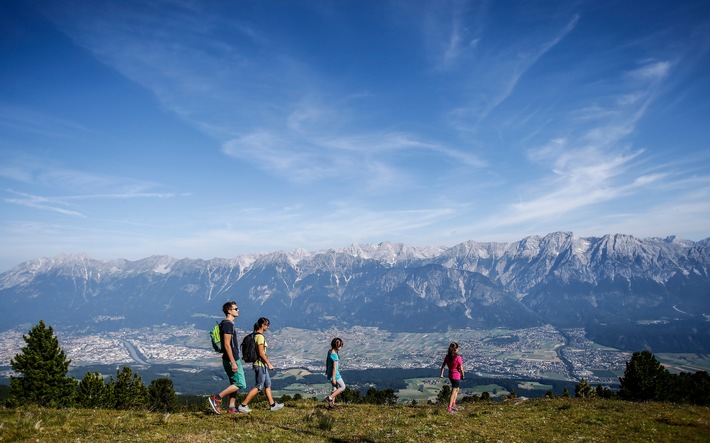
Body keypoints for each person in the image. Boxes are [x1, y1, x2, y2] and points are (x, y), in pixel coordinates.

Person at [237, 317, 284, 413]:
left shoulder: (255, 335)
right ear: (262, 325)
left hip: (260, 365)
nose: (268, 327)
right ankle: (243, 405)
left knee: (267, 384)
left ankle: (273, 405)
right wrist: (269, 364)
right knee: (259, 386)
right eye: (267, 324)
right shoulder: (260, 337)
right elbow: (261, 353)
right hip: (260, 365)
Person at [208, 301, 247, 414]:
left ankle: (231, 407)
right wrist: (233, 362)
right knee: (240, 384)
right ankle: (216, 398)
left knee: (234, 383)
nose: (238, 310)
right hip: (232, 359)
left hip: (228, 358)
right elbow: (226, 344)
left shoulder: (225, 323)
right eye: (236, 308)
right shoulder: (228, 324)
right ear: (229, 311)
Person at [439, 342, 464, 413]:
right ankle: (449, 407)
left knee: (457, 389)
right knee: (453, 391)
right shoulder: (458, 358)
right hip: (456, 376)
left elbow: (443, 366)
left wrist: (441, 374)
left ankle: (453, 403)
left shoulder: (447, 357)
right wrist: (463, 375)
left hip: (450, 375)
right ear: (456, 349)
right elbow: (461, 368)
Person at [325, 337, 345, 409]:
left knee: (335, 389)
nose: (341, 347)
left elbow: (327, 360)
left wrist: (327, 369)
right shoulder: (335, 356)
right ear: (338, 346)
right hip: (335, 374)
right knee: (343, 387)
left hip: (330, 372)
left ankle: (331, 405)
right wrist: (333, 378)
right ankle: (329, 398)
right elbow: (334, 368)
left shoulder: (330, 351)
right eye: (341, 345)